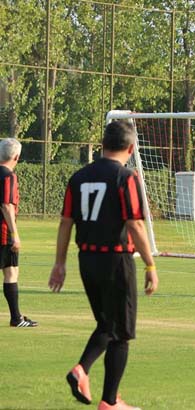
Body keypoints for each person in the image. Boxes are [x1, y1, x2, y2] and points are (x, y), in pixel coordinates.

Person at [48, 120, 159, 410]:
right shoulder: (126, 177)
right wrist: (150, 265)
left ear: (102, 145)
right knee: (121, 332)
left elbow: (65, 222)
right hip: (116, 259)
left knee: (107, 325)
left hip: (87, 260)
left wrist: (59, 263)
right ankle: (100, 390)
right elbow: (134, 224)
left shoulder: (78, 177)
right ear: (131, 148)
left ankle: (103, 392)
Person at [0, 138, 37, 328]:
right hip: (3, 232)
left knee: (10, 270)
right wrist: (15, 235)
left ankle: (17, 317)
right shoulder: (8, 176)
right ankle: (16, 318)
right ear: (16, 157)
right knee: (11, 272)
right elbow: (6, 205)